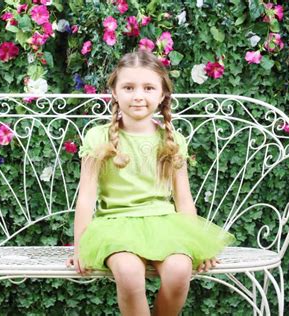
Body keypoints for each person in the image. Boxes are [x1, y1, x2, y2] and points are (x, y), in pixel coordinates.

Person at [66, 49, 235, 316]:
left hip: (164, 224)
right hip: (115, 226)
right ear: (114, 91)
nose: (138, 96)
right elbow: (86, 197)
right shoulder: (99, 138)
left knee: (180, 271)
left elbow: (183, 198)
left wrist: (198, 244)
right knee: (130, 273)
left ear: (162, 94)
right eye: (129, 87)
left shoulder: (172, 140)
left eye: (148, 88)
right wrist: (81, 247)